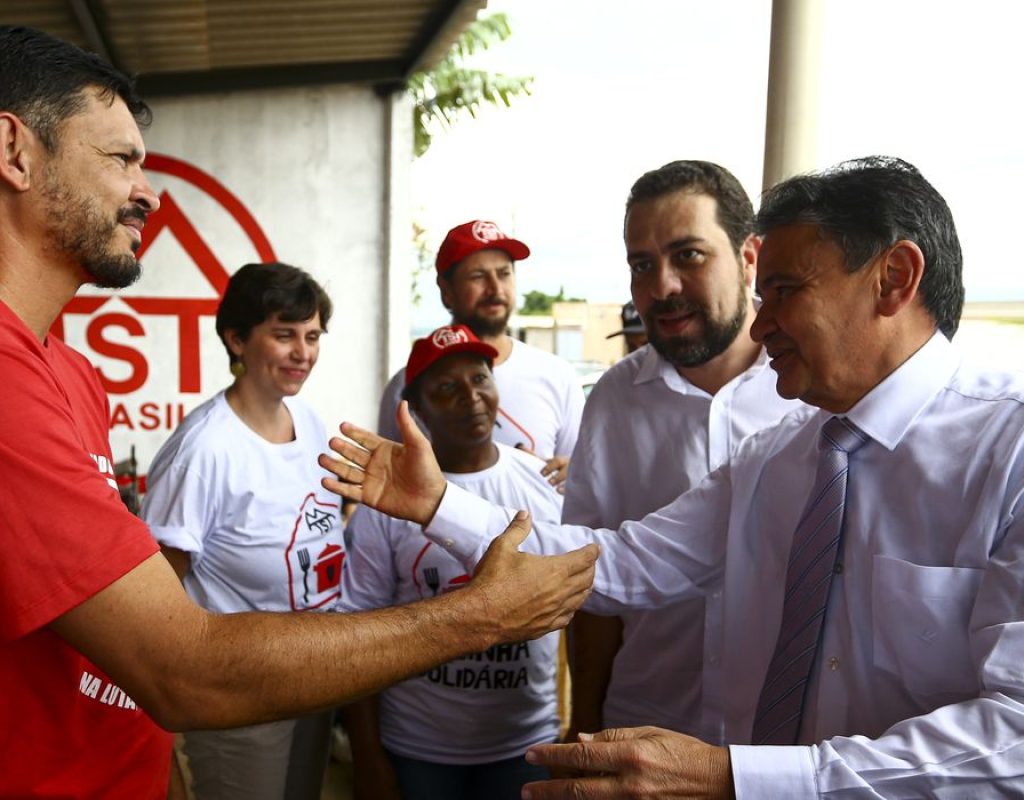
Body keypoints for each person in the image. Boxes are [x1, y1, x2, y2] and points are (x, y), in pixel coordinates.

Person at [0, 25, 598, 798]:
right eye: (120, 159)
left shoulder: (71, 373)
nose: (148, 191)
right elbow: (183, 668)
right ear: (15, 152)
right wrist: (481, 614)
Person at [321, 156, 1024, 797]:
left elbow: (1014, 736)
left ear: (894, 277)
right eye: (764, 289)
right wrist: (441, 504)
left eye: (783, 289)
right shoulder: (777, 458)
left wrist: (747, 778)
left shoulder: (1008, 451)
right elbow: (614, 564)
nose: (764, 317)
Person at [565, 161, 800, 747]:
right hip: (642, 730)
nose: (662, 286)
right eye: (642, 265)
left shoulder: (815, 391)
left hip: (787, 747)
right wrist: (585, 725)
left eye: (688, 255)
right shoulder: (614, 400)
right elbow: (590, 588)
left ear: (750, 257)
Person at [140, 262, 340, 799]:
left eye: (312, 336)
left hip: (317, 674)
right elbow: (157, 590)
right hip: (242, 694)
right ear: (236, 338)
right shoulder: (204, 450)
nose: (303, 353)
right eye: (284, 336)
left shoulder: (312, 423)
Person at [342, 324, 566, 800]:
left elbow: (586, 608)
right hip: (417, 748)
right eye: (447, 388)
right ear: (417, 410)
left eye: (480, 378)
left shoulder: (543, 482)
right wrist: (368, 757)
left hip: (525, 744)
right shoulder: (386, 501)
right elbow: (355, 634)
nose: (472, 397)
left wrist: (584, 718)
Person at [377, 220, 585, 489]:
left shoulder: (557, 375)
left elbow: (579, 475)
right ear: (446, 290)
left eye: (504, 274)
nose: (495, 289)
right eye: (478, 276)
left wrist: (572, 474)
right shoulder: (408, 385)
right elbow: (394, 482)